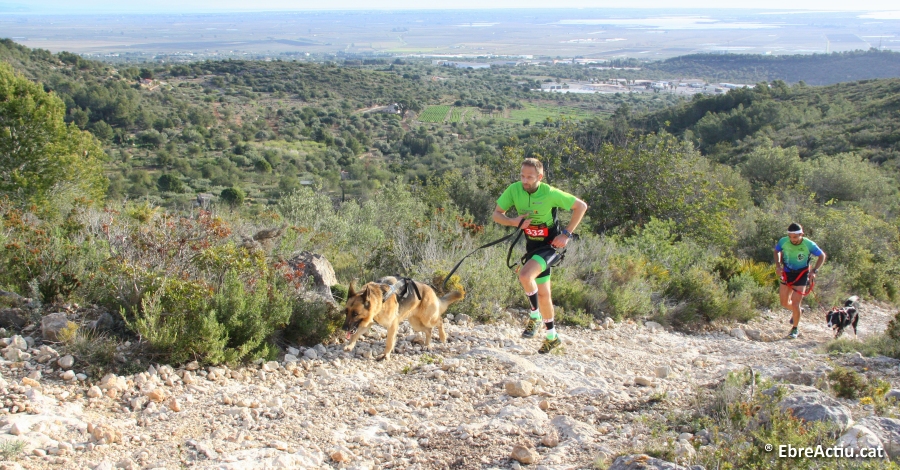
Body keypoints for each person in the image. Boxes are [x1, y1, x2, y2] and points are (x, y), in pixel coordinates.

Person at [492, 158, 588, 354]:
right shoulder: (514, 190)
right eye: (522, 176)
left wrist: (567, 234)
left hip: (551, 246)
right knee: (543, 294)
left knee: (526, 276)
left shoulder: (549, 193)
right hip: (532, 246)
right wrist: (514, 221)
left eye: (529, 177)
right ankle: (552, 337)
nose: (525, 180)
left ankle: (534, 316)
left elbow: (581, 206)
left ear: (540, 177)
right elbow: (496, 214)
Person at [774, 223, 826, 339]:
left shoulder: (809, 244)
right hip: (787, 273)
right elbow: (776, 251)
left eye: (795, 237)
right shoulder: (783, 241)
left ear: (801, 234)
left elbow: (821, 255)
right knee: (784, 302)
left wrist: (814, 271)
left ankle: (795, 328)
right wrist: (778, 265)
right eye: (791, 236)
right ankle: (798, 311)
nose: (793, 240)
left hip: (802, 274)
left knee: (796, 302)